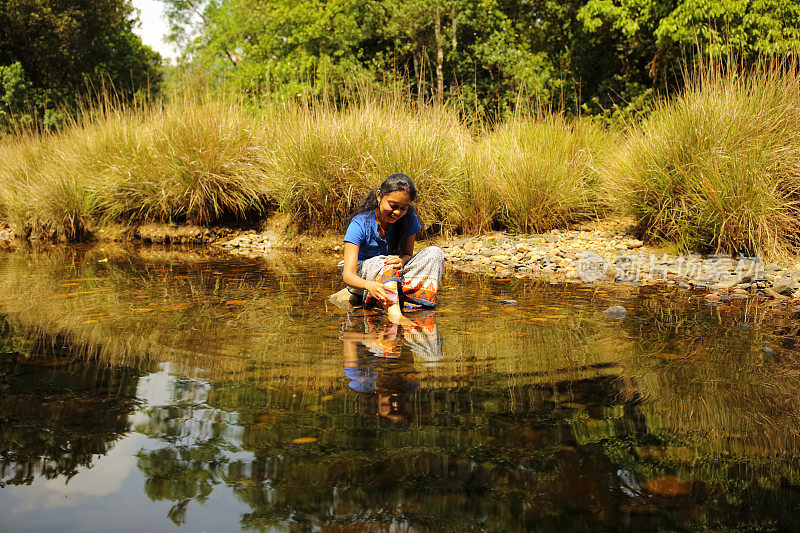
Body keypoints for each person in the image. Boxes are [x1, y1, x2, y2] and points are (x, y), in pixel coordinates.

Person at [342, 173, 445, 325]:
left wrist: (401, 261)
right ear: (379, 196)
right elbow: (348, 275)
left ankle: (416, 303)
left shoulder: (408, 218)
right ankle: (394, 313)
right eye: (393, 205)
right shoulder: (360, 224)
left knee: (435, 253)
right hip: (365, 277)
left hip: (393, 273)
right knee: (384, 261)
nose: (397, 212)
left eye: (403, 208)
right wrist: (368, 285)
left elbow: (408, 254)